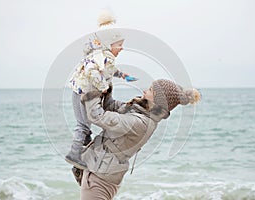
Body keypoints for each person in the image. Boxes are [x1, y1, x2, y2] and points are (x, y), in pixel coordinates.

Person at [79, 79, 201, 200]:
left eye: (150, 90)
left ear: (158, 100)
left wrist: (91, 92)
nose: (144, 91)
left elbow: (98, 116)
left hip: (100, 178)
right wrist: (105, 85)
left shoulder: (142, 123)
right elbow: (110, 107)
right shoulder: (140, 111)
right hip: (100, 171)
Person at [65, 10, 130, 169]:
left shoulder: (101, 55)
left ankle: (86, 149)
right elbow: (92, 71)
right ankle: (74, 154)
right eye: (119, 45)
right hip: (84, 93)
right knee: (83, 125)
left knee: (84, 123)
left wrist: (122, 75)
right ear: (109, 43)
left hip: (79, 91)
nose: (121, 48)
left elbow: (108, 70)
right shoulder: (103, 57)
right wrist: (104, 87)